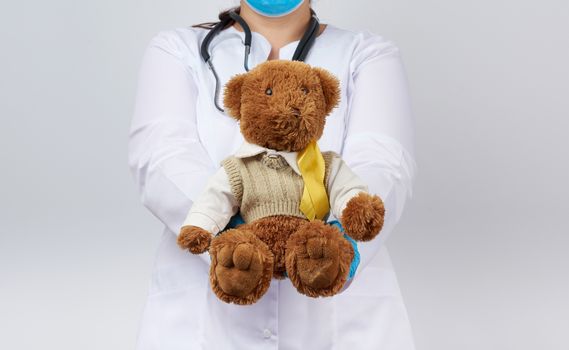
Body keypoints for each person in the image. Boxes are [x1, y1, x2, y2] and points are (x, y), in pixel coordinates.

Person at [128, 1, 417, 349]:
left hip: (340, 325)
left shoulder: (368, 55)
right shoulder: (177, 50)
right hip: (203, 325)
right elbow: (161, 158)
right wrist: (232, 241)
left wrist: (341, 249)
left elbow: (383, 162)